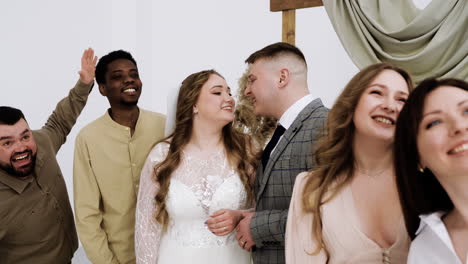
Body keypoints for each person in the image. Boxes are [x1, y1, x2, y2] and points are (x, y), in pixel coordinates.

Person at [285, 63, 414, 263]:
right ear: (352, 104)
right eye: (377, 92)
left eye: (401, 99)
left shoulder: (425, 185)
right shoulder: (311, 188)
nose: (390, 105)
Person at [134, 69, 258, 264]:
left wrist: (242, 215)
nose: (229, 99)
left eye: (230, 92)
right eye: (217, 92)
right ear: (193, 105)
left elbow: (265, 207)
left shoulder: (247, 149)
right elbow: (147, 228)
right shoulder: (162, 155)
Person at [0, 48, 96, 263]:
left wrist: (84, 85)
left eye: (25, 136)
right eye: (7, 142)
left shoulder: (41, 144)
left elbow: (60, 121)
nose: (21, 147)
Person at [236, 42, 329, 264]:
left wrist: (256, 227)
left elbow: (329, 216)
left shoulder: (326, 126)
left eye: (252, 79)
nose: (247, 90)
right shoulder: (280, 132)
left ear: (282, 78)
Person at [73, 50, 166, 264]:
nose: (129, 79)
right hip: (119, 257)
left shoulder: (165, 126)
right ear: (103, 89)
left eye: (134, 73)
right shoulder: (88, 139)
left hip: (167, 252)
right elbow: (87, 215)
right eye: (118, 76)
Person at [394, 78, 468, 264]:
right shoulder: (424, 248)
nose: (459, 127)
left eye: (467, 111)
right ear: (416, 156)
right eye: (434, 122)